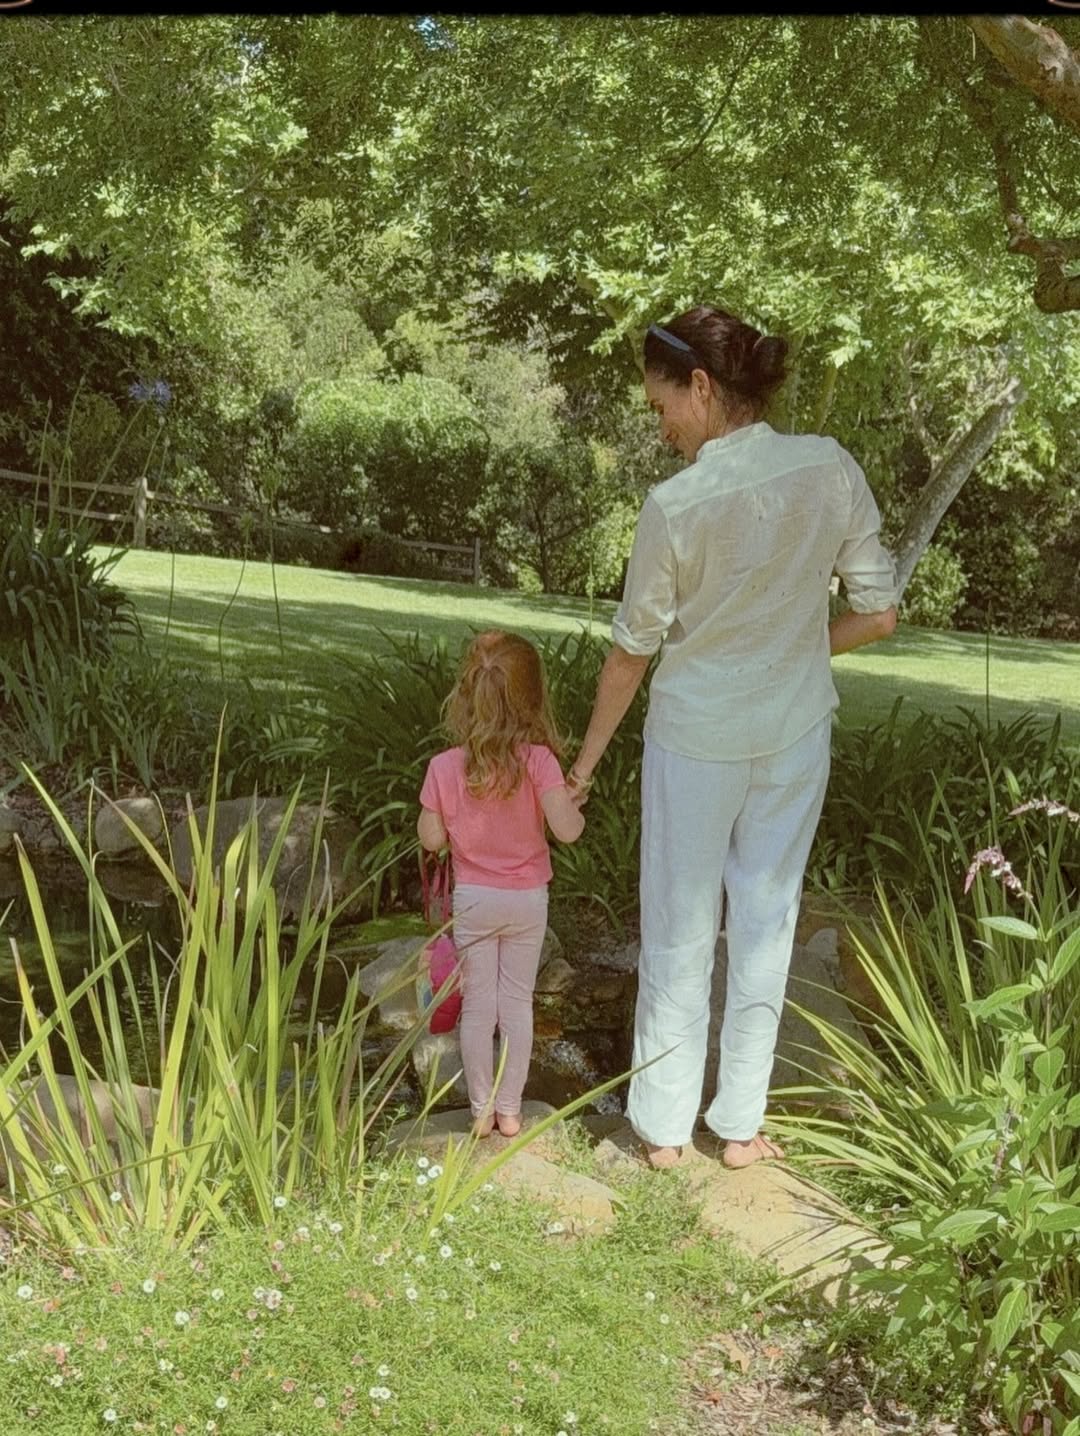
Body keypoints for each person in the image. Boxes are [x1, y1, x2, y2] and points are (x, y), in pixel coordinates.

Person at [566, 306, 898, 1171]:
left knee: (678, 923)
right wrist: (794, 648)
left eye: (660, 405)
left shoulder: (676, 506)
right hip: (795, 736)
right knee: (767, 918)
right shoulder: (829, 468)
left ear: (703, 388)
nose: (662, 426)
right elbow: (879, 611)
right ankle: (742, 1125)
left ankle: (665, 1130)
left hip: (698, 737)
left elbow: (632, 652)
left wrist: (585, 765)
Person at [417, 630, 585, 1138]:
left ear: (467, 696)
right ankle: (511, 1110)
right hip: (527, 902)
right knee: (516, 1003)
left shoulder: (445, 767)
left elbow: (430, 838)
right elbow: (569, 832)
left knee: (478, 1005)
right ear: (533, 700)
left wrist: (447, 817)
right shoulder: (540, 763)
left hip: (473, 901)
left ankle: (480, 1111)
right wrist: (572, 798)